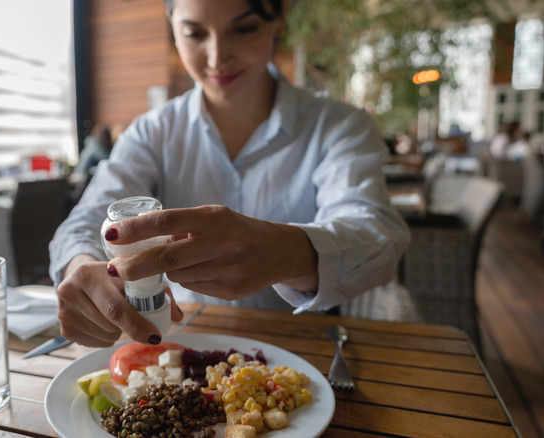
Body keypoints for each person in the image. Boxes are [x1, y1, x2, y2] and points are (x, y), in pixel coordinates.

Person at [49, 0, 410, 347]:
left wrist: (282, 253)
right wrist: (80, 268)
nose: (218, 57)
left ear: (278, 20)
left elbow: (377, 236)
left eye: (244, 29)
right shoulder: (151, 132)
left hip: (306, 356)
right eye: (194, 33)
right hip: (182, 347)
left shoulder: (340, 126)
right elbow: (84, 223)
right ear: (171, 25)